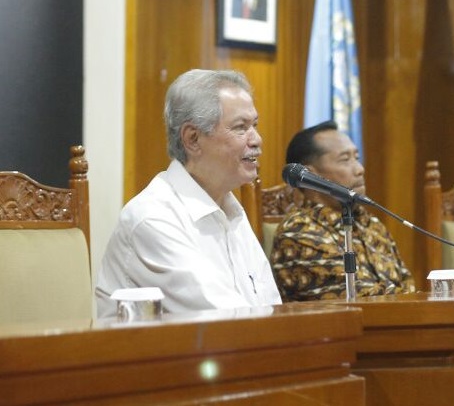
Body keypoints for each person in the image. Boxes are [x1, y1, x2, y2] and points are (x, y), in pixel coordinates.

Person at [96, 69, 282, 317]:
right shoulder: (152, 218)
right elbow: (224, 320)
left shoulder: (230, 209)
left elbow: (270, 306)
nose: (257, 139)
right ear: (192, 139)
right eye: (241, 127)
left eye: (255, 125)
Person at [270, 121, 415, 301]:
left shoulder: (371, 223)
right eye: (345, 159)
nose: (360, 169)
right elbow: (356, 299)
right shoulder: (299, 232)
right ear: (310, 176)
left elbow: (408, 284)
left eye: (357, 157)